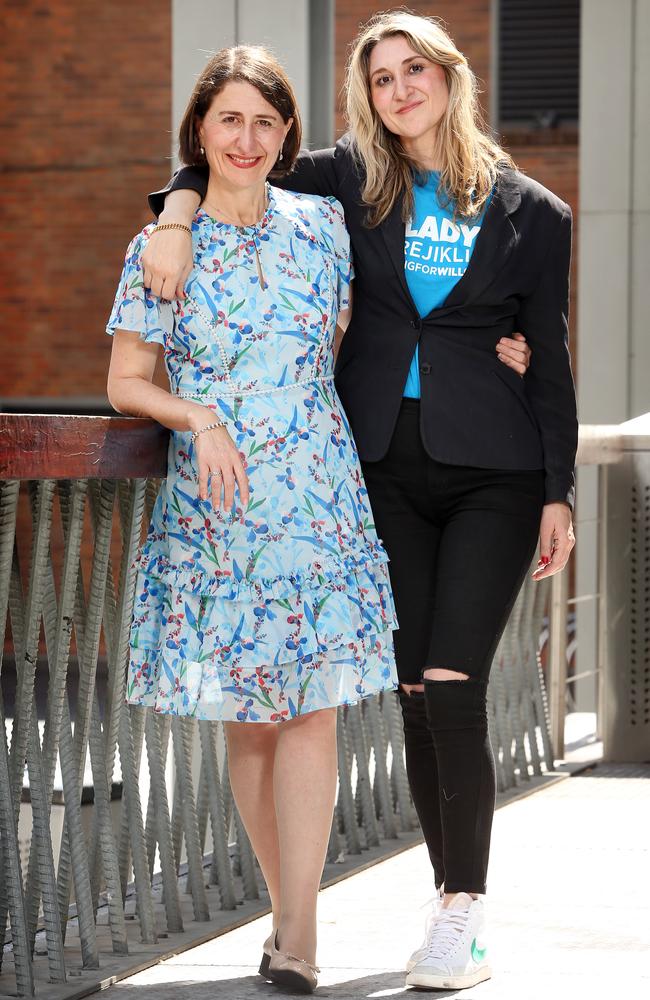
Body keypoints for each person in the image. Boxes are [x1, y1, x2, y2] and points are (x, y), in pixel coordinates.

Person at [140, 11, 577, 992]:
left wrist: (557, 492)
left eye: (412, 69)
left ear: (449, 77)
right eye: (379, 78)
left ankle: (457, 914)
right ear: (366, 97)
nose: (398, 89)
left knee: (452, 680)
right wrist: (172, 213)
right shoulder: (346, 181)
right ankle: (417, 902)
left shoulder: (532, 213)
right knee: (416, 690)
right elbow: (225, 163)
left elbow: (544, 359)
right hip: (378, 471)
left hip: (494, 475)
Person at [106, 44, 400, 995]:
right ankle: (289, 920)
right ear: (201, 130)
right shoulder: (158, 247)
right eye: (229, 119)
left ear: (286, 137)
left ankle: (299, 938)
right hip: (218, 507)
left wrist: (506, 344)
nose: (248, 137)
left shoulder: (322, 226)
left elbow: (372, 332)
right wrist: (198, 416)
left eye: (266, 122)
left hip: (318, 496)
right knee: (251, 726)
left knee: (313, 710)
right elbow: (124, 384)